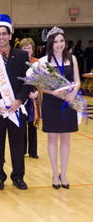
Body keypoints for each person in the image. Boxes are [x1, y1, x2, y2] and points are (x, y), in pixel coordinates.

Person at [0, 14, 31, 191]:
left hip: (16, 108)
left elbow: (28, 81)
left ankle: (18, 177)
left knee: (17, 145)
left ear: (10, 35)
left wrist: (19, 100)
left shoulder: (22, 55)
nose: (1, 37)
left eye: (4, 33)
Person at [38, 26, 80, 189]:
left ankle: (64, 172)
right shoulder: (43, 62)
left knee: (66, 139)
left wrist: (72, 94)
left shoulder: (73, 58)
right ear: (50, 43)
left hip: (68, 103)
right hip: (51, 102)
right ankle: (55, 173)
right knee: (52, 138)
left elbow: (77, 81)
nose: (59, 44)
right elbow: (40, 86)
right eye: (56, 41)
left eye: (62, 41)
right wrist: (54, 93)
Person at [19, 38, 40, 159]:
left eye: (29, 48)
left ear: (32, 49)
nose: (27, 50)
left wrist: (36, 91)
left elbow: (42, 80)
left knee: (33, 123)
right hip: (23, 97)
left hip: (35, 97)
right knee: (22, 124)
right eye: (24, 48)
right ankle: (22, 150)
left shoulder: (37, 62)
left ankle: (33, 151)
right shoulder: (19, 62)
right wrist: (26, 93)